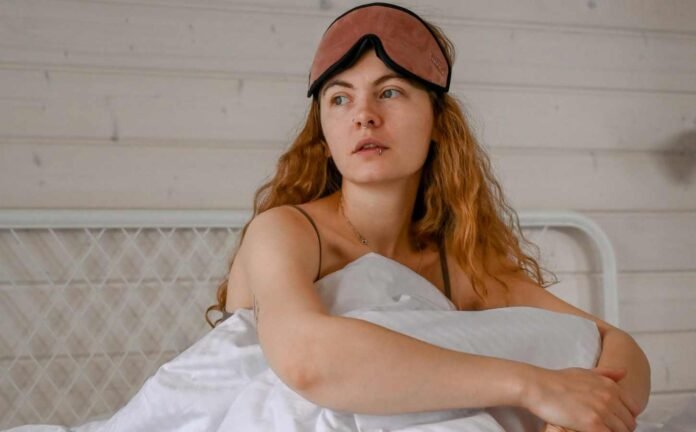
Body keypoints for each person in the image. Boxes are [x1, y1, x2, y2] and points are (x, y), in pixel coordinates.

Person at [202, 2, 650, 431]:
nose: (364, 116)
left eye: (390, 92)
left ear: (437, 122)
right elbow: (306, 362)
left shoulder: (456, 263)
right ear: (322, 132)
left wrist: (580, 418)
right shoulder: (285, 232)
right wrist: (533, 386)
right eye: (340, 99)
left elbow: (614, 344)